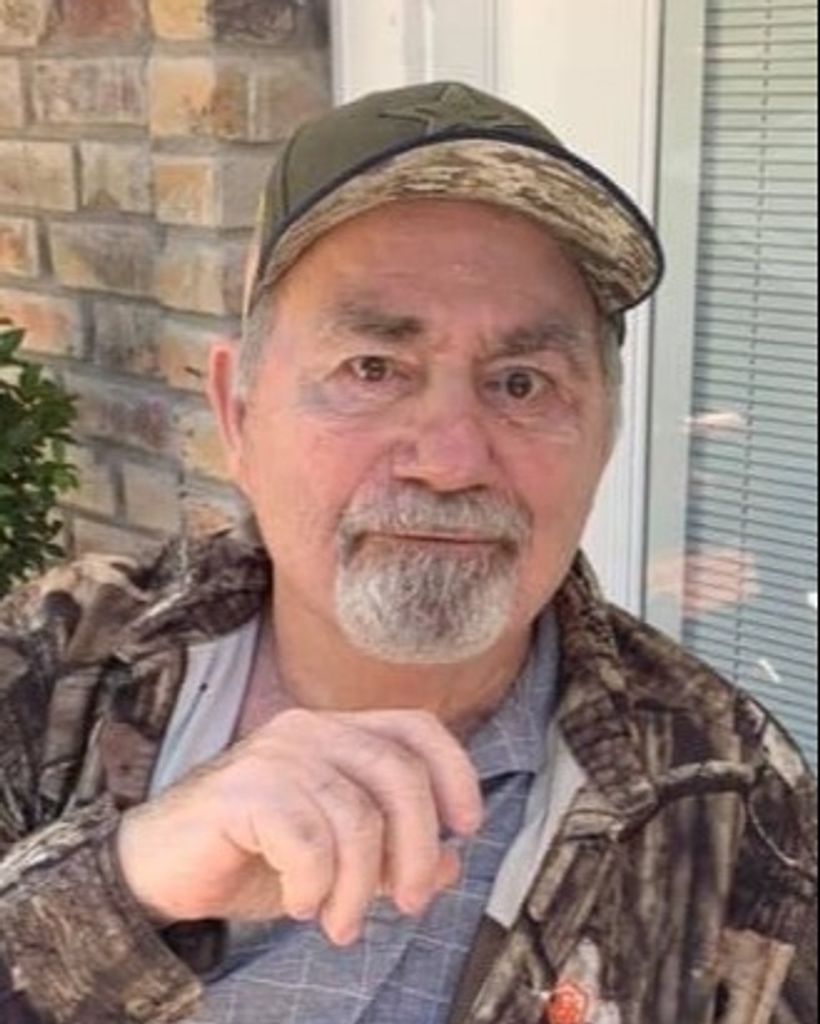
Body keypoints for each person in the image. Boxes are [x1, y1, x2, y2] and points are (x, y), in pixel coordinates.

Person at [0, 82, 816, 1024]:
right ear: (238, 413)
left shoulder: (729, 793)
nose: (450, 460)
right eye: (373, 369)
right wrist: (121, 883)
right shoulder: (55, 662)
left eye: (522, 383)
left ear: (605, 436)